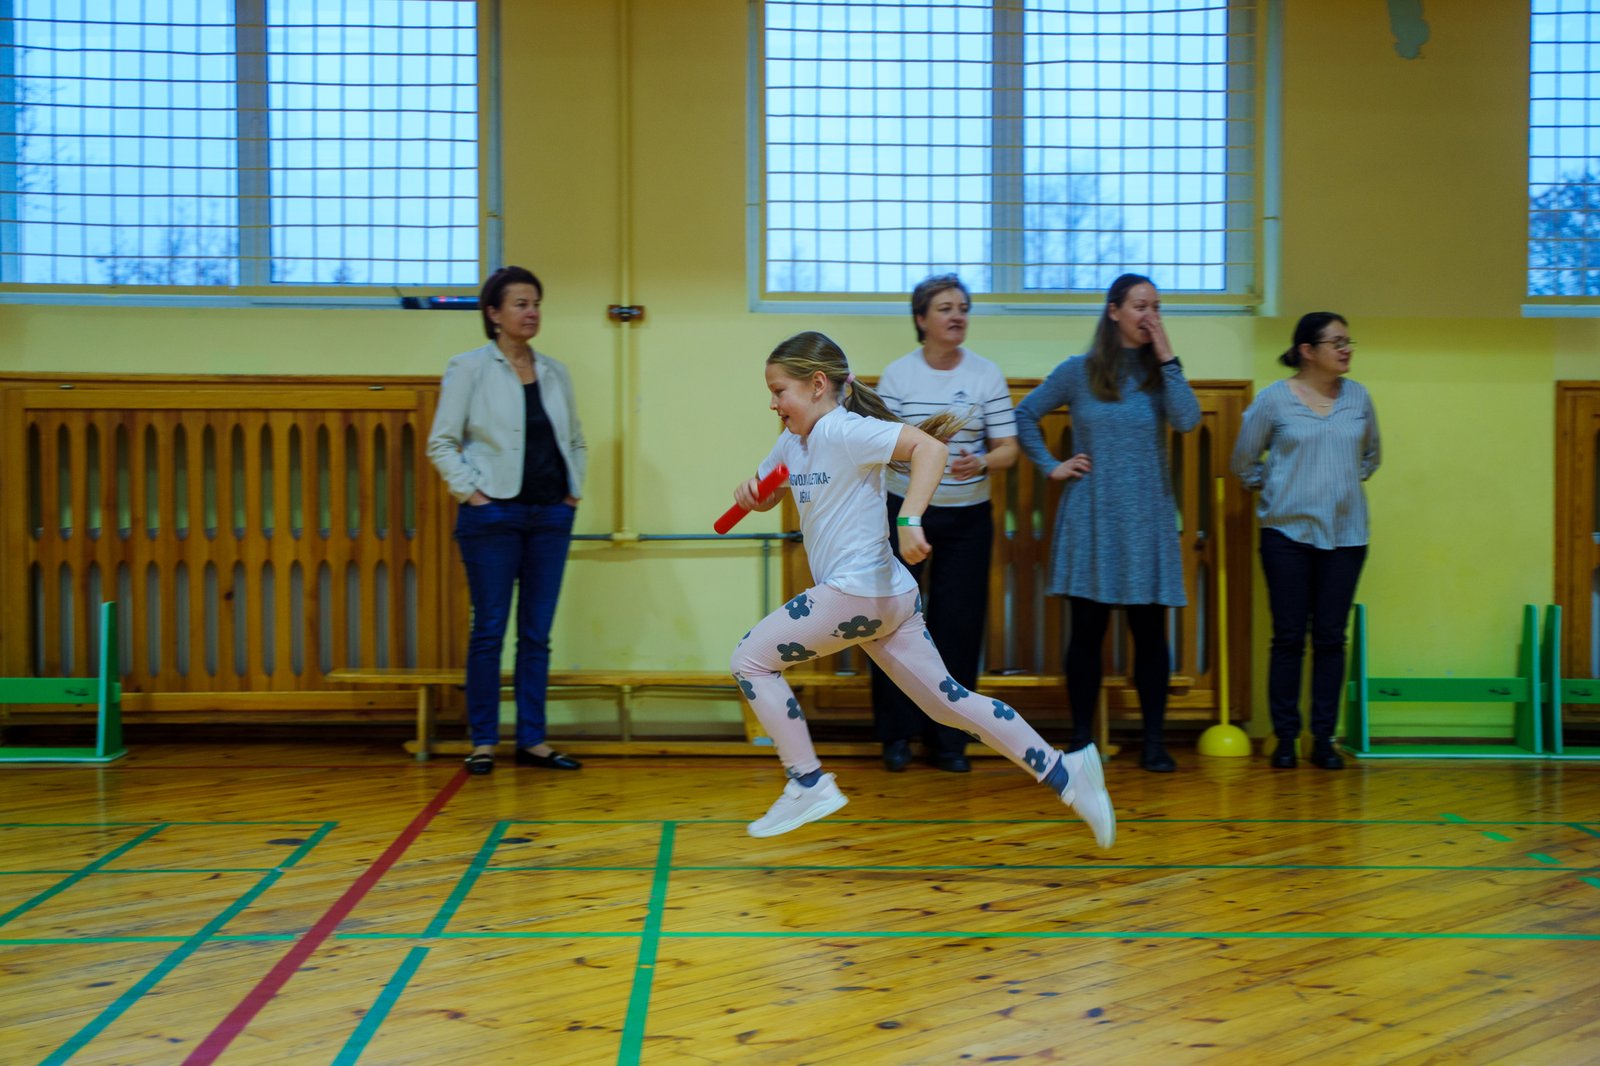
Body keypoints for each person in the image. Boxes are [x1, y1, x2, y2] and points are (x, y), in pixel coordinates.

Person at [726, 331, 1115, 847]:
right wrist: (756, 497)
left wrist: (909, 518)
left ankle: (808, 781)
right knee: (947, 703)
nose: (774, 404)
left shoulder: (847, 429)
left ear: (818, 384)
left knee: (750, 661)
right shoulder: (793, 442)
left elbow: (930, 447)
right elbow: (776, 488)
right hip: (884, 599)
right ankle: (1066, 773)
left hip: (858, 592)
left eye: (780, 392)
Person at [1014, 274, 1200, 773]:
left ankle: (1154, 741)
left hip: (1147, 519)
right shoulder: (1078, 372)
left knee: (1150, 634)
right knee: (1087, 632)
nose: (1150, 315)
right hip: (1092, 516)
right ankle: (1081, 741)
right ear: (1114, 311)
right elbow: (1025, 415)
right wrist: (1052, 465)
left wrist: (1167, 355)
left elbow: (1188, 420)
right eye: (1140, 305)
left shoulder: (1163, 374)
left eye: (1156, 307)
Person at [426, 266, 587, 776]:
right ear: (493, 314)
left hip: (550, 517)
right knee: (490, 629)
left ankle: (533, 740)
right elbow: (441, 442)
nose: (531, 312)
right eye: (520, 303)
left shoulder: (556, 372)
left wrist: (572, 493)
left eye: (536, 303)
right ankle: (483, 741)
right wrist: (473, 495)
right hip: (492, 516)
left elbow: (574, 440)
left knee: (536, 634)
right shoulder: (468, 367)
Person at [869, 274, 1019, 774]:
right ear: (921, 319)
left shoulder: (986, 374)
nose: (957, 316)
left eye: (963, 308)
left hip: (968, 519)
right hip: (904, 513)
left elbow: (1008, 449)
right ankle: (896, 735)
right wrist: (919, 458)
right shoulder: (899, 375)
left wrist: (983, 462)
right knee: (892, 621)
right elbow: (882, 446)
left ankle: (950, 740)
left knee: (958, 626)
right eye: (945, 308)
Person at [1230, 312, 1379, 771]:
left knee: (1331, 639)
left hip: (1346, 537)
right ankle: (1286, 739)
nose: (1346, 349)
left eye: (1349, 341)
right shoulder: (1273, 401)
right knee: (1289, 638)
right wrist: (1281, 489)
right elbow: (1244, 462)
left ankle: (1324, 739)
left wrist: (1336, 487)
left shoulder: (1359, 398)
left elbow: (1371, 457)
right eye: (1337, 342)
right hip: (1286, 537)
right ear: (1307, 351)